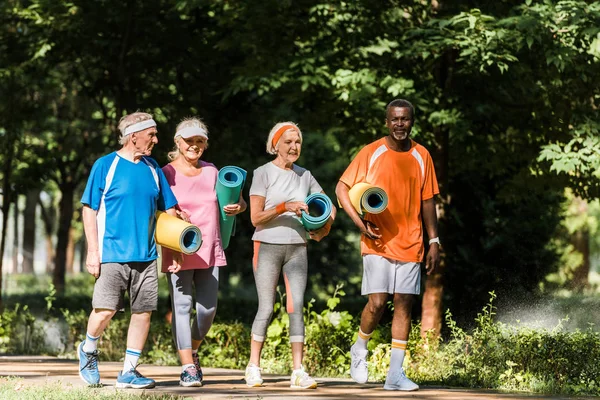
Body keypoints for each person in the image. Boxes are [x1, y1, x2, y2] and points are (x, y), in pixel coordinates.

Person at [335, 99, 440, 391]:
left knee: (404, 305)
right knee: (378, 302)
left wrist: (434, 241)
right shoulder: (371, 152)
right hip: (377, 240)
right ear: (386, 122)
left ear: (412, 122)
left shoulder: (422, 155)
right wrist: (360, 223)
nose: (400, 124)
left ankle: (395, 375)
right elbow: (341, 188)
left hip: (412, 242)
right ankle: (359, 349)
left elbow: (428, 200)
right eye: (395, 119)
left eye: (405, 119)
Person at [77, 112, 180, 389]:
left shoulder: (152, 168)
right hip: (111, 252)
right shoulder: (105, 165)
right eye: (152, 134)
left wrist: (177, 247)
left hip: (147, 256)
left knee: (143, 312)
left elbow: (168, 210)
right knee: (105, 310)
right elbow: (90, 209)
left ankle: (129, 371)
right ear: (134, 136)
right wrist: (92, 251)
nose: (156, 140)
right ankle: (88, 350)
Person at [245, 122, 336, 390]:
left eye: (297, 142)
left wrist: (325, 228)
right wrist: (286, 206)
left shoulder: (305, 175)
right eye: (288, 142)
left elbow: (329, 207)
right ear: (275, 145)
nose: (294, 147)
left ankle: (298, 372)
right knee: (266, 306)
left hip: (297, 247)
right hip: (267, 245)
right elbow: (255, 217)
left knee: (296, 307)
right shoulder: (262, 173)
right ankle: (253, 367)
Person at [161, 117, 247, 387]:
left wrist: (239, 207)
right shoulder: (166, 173)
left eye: (199, 141)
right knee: (182, 307)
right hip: (178, 249)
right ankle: (187, 366)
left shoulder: (212, 172)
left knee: (207, 310)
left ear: (205, 145)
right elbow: (158, 209)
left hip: (209, 248)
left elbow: (237, 200)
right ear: (178, 142)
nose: (194, 145)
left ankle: (193, 349)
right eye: (189, 141)